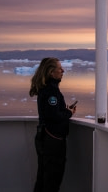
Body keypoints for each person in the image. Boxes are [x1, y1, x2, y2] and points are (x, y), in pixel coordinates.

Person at [29, 57, 77, 192]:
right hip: (52, 141)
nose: (63, 71)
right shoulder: (51, 91)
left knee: (43, 178)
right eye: (59, 68)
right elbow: (54, 116)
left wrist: (63, 110)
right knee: (52, 180)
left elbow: (51, 112)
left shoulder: (46, 89)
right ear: (51, 72)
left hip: (44, 138)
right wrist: (69, 113)